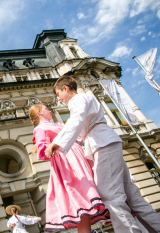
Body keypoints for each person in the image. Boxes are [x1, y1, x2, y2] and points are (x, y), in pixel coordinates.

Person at [45, 76, 160, 233]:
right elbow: (79, 131)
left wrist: (56, 143)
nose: (59, 99)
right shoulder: (86, 100)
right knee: (133, 198)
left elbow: (76, 121)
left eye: (58, 94)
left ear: (65, 88)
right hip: (105, 141)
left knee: (110, 195)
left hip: (102, 143)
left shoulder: (76, 100)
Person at [29, 104, 109, 232]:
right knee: (80, 197)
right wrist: (53, 147)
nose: (49, 110)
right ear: (39, 112)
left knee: (90, 192)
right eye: (45, 108)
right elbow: (43, 151)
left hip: (78, 155)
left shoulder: (59, 124)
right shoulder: (40, 128)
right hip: (67, 160)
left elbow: (77, 138)